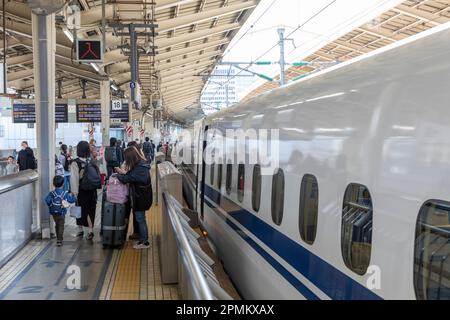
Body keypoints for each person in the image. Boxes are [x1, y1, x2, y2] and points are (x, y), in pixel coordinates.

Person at [115, 147, 152, 249]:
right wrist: (123, 173)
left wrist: (118, 175)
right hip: (141, 197)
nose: (126, 161)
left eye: (127, 158)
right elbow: (132, 176)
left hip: (140, 198)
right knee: (141, 219)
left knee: (141, 219)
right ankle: (143, 239)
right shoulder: (141, 165)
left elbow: (128, 178)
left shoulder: (140, 168)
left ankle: (145, 242)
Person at [70, 141, 99, 240]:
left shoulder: (75, 162)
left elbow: (74, 178)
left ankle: (80, 229)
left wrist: (74, 192)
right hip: (92, 190)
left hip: (81, 190)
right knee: (91, 209)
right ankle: (90, 231)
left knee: (80, 209)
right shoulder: (91, 161)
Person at [45, 176, 76, 246]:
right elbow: (71, 200)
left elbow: (47, 200)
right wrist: (74, 196)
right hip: (62, 212)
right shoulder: (64, 193)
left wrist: (50, 205)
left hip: (54, 213)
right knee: (61, 225)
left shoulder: (52, 193)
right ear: (63, 184)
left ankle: (58, 237)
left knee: (57, 224)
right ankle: (59, 239)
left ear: (53, 184)